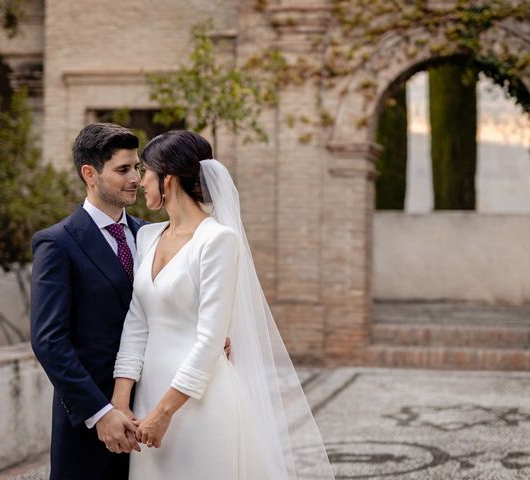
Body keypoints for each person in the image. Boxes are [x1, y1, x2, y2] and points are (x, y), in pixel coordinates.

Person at [112, 130, 333, 479]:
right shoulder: (147, 236)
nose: (140, 182)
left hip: (198, 399)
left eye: (146, 172)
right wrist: (121, 400)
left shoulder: (217, 241)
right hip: (147, 395)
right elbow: (137, 322)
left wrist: (164, 414)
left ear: (167, 179)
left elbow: (211, 338)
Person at [30, 123, 146, 480]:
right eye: (123, 169)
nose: (136, 179)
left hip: (150, 415)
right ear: (89, 174)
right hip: (89, 422)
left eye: (138, 167)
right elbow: (49, 340)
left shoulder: (149, 235)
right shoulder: (58, 243)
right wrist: (100, 411)